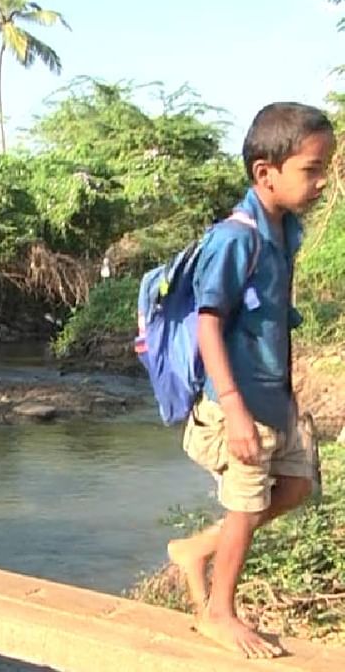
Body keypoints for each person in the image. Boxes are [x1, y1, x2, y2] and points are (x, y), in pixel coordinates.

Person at [166, 102, 335, 658]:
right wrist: (235, 408)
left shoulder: (285, 229)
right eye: (311, 169)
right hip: (235, 405)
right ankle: (219, 612)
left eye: (325, 168)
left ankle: (195, 550)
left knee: (297, 488)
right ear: (266, 172)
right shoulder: (234, 239)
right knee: (245, 504)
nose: (321, 181)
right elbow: (207, 326)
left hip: (273, 401)